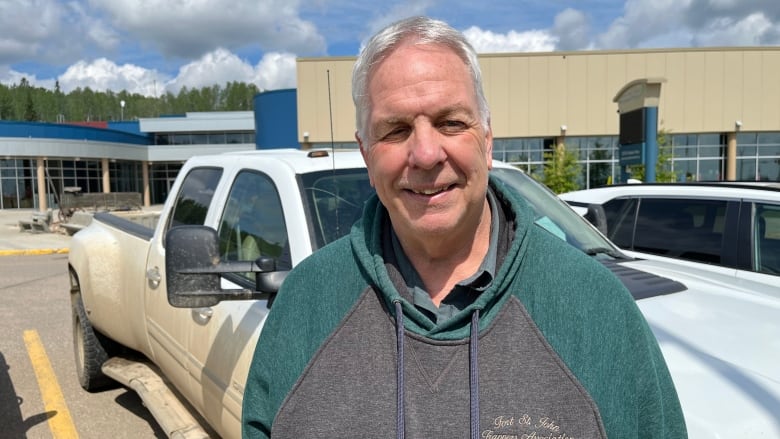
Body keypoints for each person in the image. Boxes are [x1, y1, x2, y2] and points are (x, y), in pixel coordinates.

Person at [242, 16, 686, 438]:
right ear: (366, 153)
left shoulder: (598, 310)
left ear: (487, 139)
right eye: (395, 130)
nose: (426, 153)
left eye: (450, 122)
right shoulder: (305, 307)